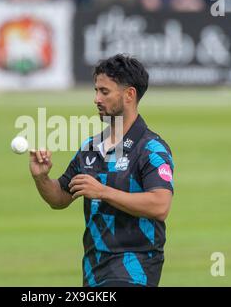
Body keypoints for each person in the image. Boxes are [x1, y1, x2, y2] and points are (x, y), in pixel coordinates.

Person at [29, 54, 174, 287]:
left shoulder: (150, 148)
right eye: (96, 90)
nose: (96, 99)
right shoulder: (90, 147)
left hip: (134, 270)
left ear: (129, 95)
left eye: (105, 92)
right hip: (94, 270)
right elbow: (59, 198)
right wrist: (42, 177)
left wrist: (103, 191)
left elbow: (160, 206)